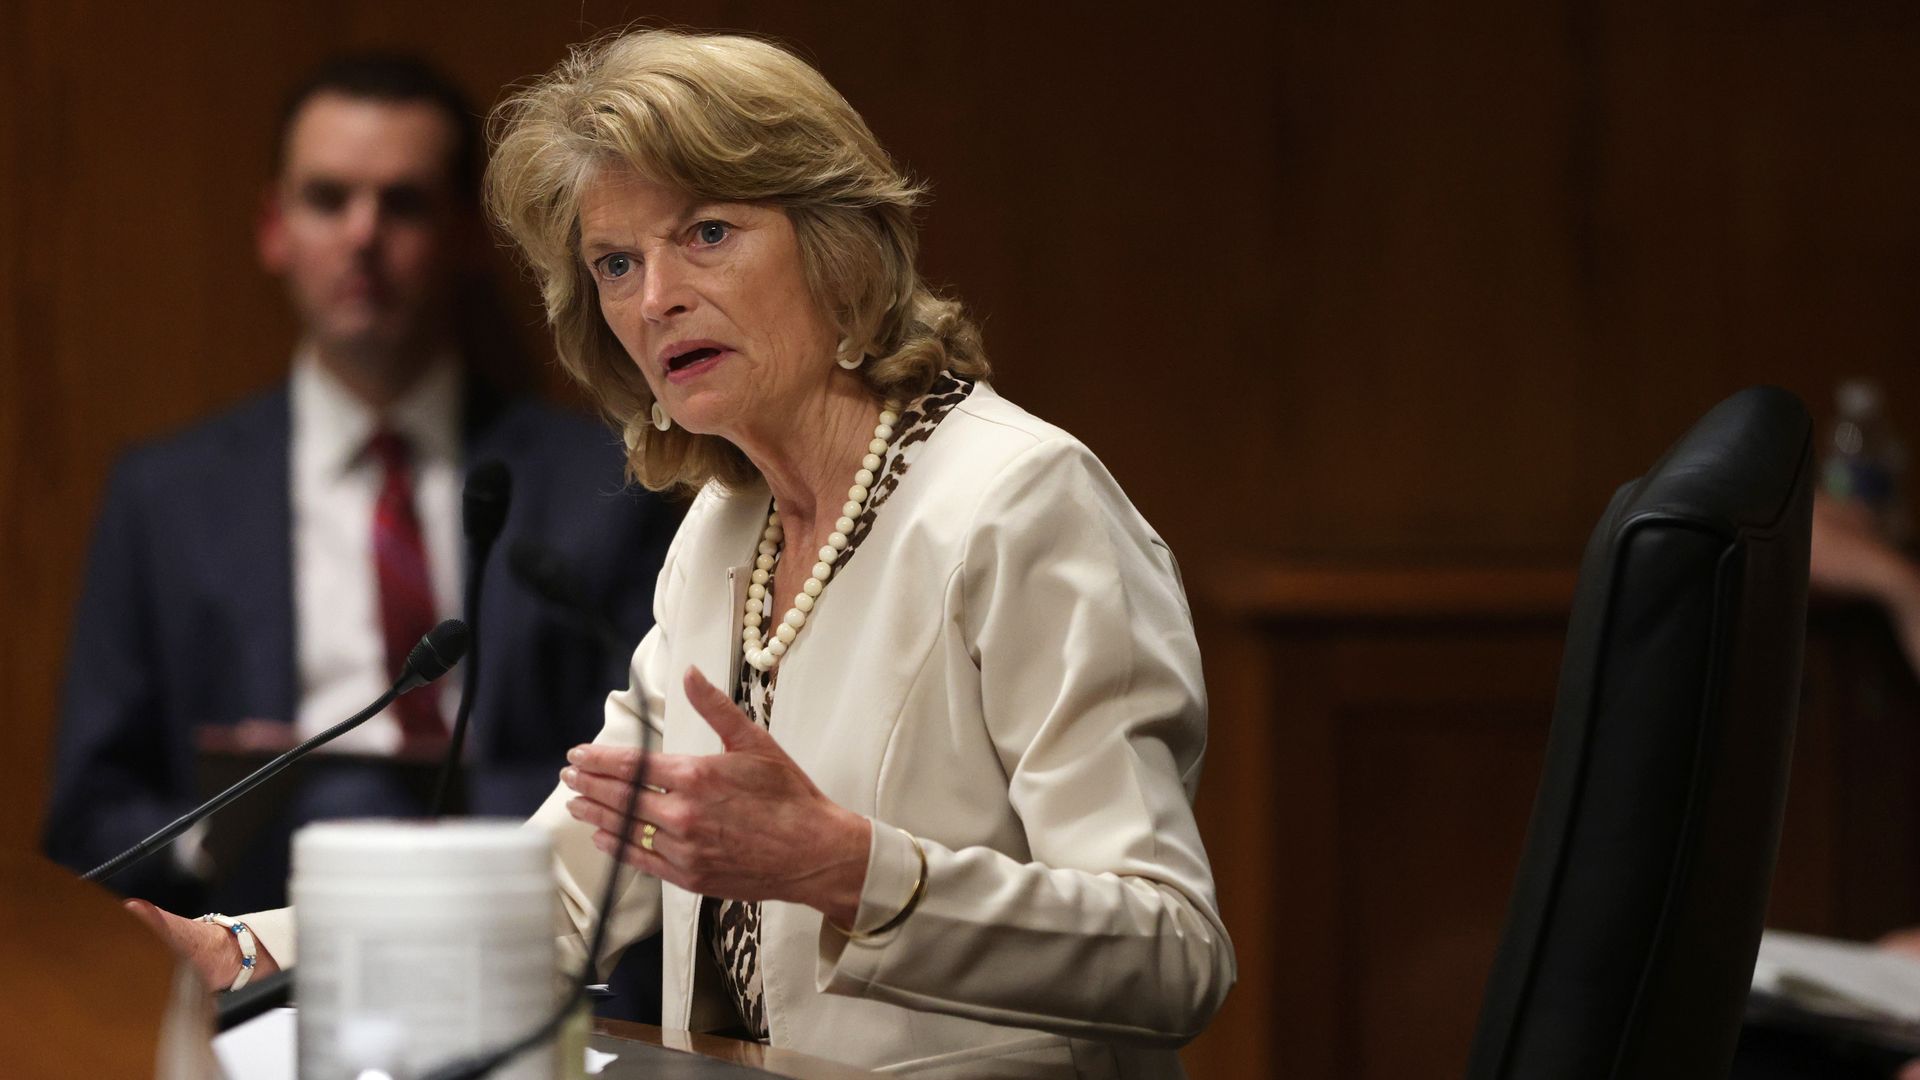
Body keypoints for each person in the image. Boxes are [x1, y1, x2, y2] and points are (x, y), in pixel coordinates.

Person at [134, 29, 1235, 1075]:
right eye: (615, 263)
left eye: (706, 233)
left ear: (836, 241)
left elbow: (1175, 951)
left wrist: (850, 870)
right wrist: (246, 949)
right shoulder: (722, 528)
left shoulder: (1019, 503)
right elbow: (571, 890)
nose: (656, 298)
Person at [44, 53, 677, 921]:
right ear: (274, 227)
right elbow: (87, 819)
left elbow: (644, 773)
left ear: (462, 235)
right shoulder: (164, 496)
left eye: (404, 202)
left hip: (520, 927)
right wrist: (222, 829)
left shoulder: (607, 482)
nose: (363, 235)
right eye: (328, 198)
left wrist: (422, 824)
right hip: (246, 940)